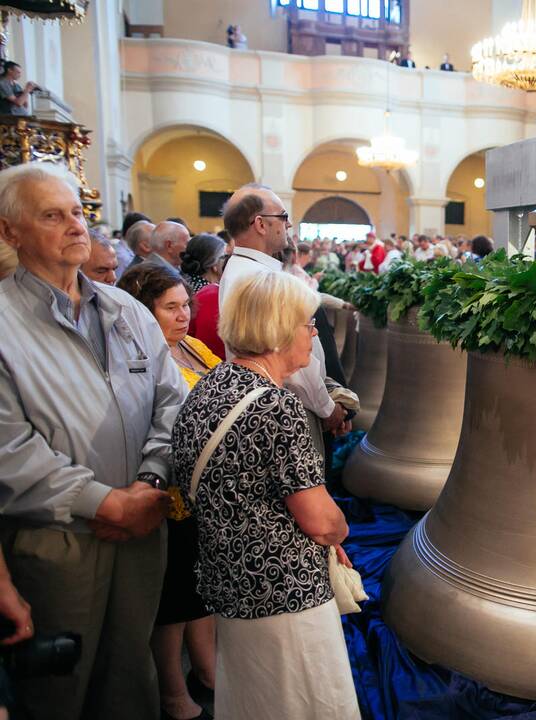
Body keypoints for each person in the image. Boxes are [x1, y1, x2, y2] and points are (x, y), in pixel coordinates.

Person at [0, 162, 184, 719]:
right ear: (11, 233)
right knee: (62, 687)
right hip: (60, 540)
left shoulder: (126, 309)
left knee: (132, 675)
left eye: (77, 212)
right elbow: (10, 448)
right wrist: (105, 502)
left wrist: (150, 483)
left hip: (143, 525)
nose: (76, 226)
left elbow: (170, 402)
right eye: (52, 216)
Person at [172, 271, 360, 720]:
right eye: (307, 323)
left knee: (252, 698)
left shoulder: (210, 388)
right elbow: (319, 520)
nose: (315, 333)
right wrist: (340, 529)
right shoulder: (277, 405)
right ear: (278, 331)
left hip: (230, 586)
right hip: (285, 593)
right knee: (303, 701)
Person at [117, 264, 218, 720]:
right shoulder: (138, 357)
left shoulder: (192, 346)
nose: (183, 315)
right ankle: (173, 691)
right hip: (170, 490)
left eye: (186, 305)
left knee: (200, 587)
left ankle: (207, 668)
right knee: (173, 596)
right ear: (144, 312)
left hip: (204, 489)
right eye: (170, 307)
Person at [219, 184, 350, 458]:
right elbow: (291, 363)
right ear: (260, 224)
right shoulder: (258, 278)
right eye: (283, 216)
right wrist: (327, 408)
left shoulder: (247, 268)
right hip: (291, 407)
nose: (288, 224)